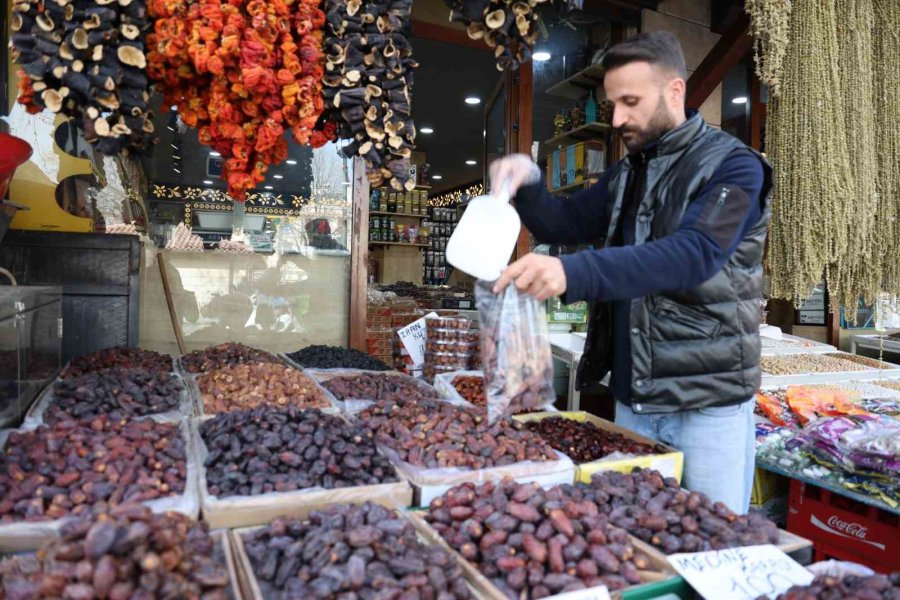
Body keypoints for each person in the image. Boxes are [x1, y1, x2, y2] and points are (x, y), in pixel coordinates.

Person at [490, 31, 772, 513]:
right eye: (612, 103)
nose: (617, 118)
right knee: (633, 533)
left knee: (713, 540)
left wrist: (571, 271)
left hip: (707, 405)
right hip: (634, 397)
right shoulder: (629, 171)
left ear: (675, 91)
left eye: (630, 101)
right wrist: (529, 182)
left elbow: (694, 255)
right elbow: (568, 222)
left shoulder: (736, 167)